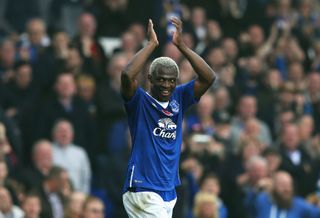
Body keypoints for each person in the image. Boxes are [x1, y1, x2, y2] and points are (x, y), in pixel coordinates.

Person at [121, 17, 216, 217]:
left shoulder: (179, 98)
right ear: (150, 79)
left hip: (168, 190)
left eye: (171, 81)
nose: (166, 85)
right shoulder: (139, 102)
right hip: (143, 187)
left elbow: (209, 77)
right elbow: (127, 75)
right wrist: (152, 44)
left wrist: (182, 46)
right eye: (161, 80)